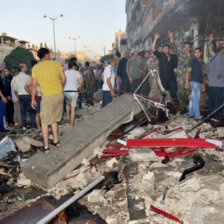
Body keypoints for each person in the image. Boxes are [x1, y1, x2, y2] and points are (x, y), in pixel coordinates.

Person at [31, 48, 66, 153]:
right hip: (59, 95)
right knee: (54, 119)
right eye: (49, 54)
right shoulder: (56, 64)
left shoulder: (36, 68)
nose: (49, 56)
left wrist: (32, 99)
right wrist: (60, 88)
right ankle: (56, 141)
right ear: (46, 55)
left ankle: (46, 147)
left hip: (47, 97)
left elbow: (33, 86)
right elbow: (64, 79)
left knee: (45, 123)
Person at [169, 31, 193, 114]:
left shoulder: (193, 57)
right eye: (185, 47)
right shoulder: (180, 54)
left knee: (189, 93)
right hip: (180, 78)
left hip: (190, 78)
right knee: (181, 93)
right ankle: (182, 109)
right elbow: (174, 48)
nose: (186, 48)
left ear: (190, 48)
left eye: (188, 47)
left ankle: (189, 108)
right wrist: (171, 39)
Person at [152, 33, 178, 105]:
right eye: (164, 48)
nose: (166, 49)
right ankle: (162, 106)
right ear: (162, 50)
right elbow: (153, 49)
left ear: (169, 49)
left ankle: (176, 107)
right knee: (164, 93)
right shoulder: (161, 56)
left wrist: (171, 38)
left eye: (167, 48)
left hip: (172, 78)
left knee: (173, 93)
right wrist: (155, 39)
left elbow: (175, 49)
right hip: (163, 78)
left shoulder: (173, 57)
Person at [185, 48, 206, 121]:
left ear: (201, 53)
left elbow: (202, 74)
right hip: (194, 82)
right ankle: (197, 116)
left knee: (193, 99)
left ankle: (191, 113)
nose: (197, 54)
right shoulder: (192, 61)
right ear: (194, 54)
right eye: (195, 52)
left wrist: (203, 85)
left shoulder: (201, 62)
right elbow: (188, 72)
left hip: (199, 82)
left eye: (198, 52)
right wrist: (186, 82)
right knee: (196, 99)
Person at [205, 46, 224, 126]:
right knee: (219, 102)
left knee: (212, 101)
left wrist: (212, 80)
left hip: (211, 84)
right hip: (220, 85)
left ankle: (211, 117)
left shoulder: (210, 59)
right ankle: (217, 119)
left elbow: (207, 73)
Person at [14, 64, 36, 130]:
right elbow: (31, 86)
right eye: (25, 66)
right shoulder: (28, 77)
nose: (26, 67)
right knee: (31, 111)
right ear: (22, 68)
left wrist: (17, 97)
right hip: (28, 95)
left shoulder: (16, 78)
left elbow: (15, 90)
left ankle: (24, 126)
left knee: (23, 111)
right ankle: (33, 126)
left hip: (20, 96)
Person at [64, 62, 83, 129]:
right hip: (74, 92)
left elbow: (62, 80)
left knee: (67, 103)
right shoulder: (76, 72)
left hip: (66, 92)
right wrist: (80, 89)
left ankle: (67, 117)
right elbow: (81, 82)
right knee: (73, 110)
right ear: (73, 66)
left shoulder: (65, 72)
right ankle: (71, 126)